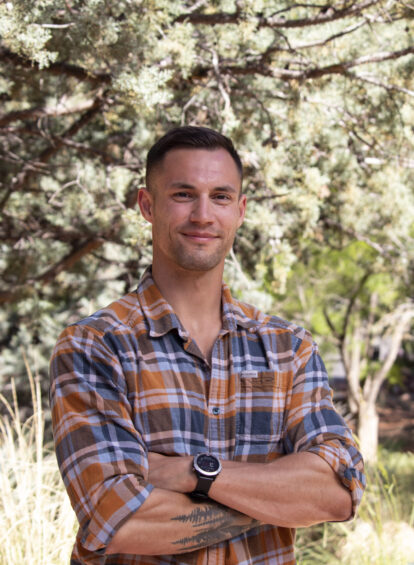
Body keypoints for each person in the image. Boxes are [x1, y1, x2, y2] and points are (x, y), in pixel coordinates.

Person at [50, 126, 365, 565]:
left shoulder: (289, 348)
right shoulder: (96, 347)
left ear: (240, 210)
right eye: (183, 194)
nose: (203, 214)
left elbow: (338, 493)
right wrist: (280, 499)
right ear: (147, 205)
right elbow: (118, 521)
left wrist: (189, 473)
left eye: (220, 197)